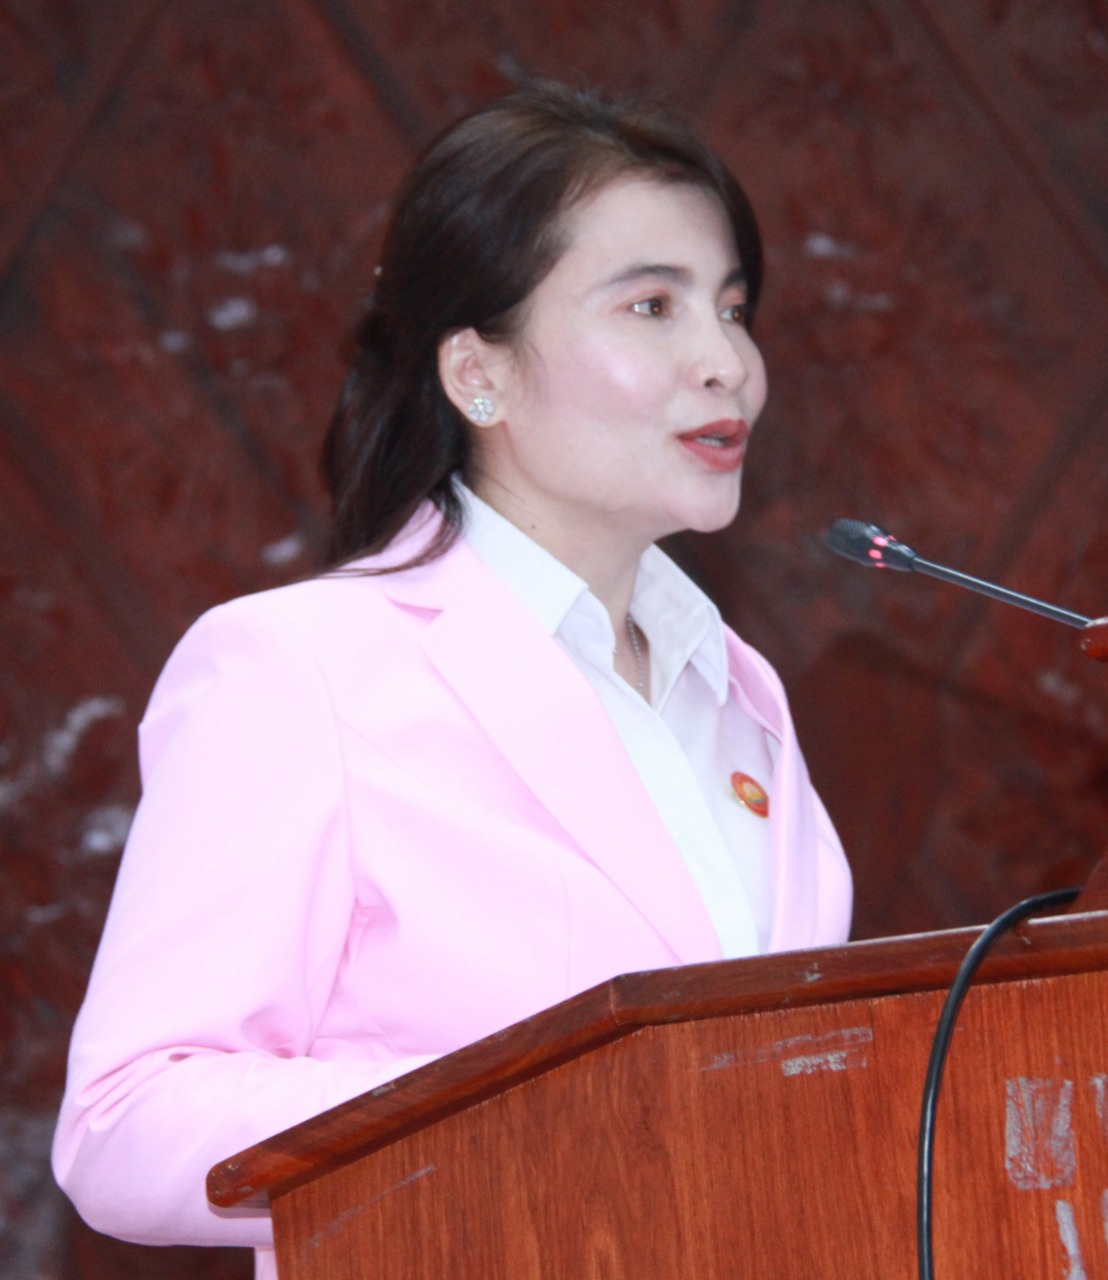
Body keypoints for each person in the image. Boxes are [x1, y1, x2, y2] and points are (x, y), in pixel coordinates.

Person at [52, 80, 852, 1278]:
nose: (726, 362)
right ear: (479, 373)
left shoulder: (735, 690)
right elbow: (124, 1118)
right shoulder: (300, 668)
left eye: (732, 308)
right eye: (652, 305)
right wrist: (533, 1108)